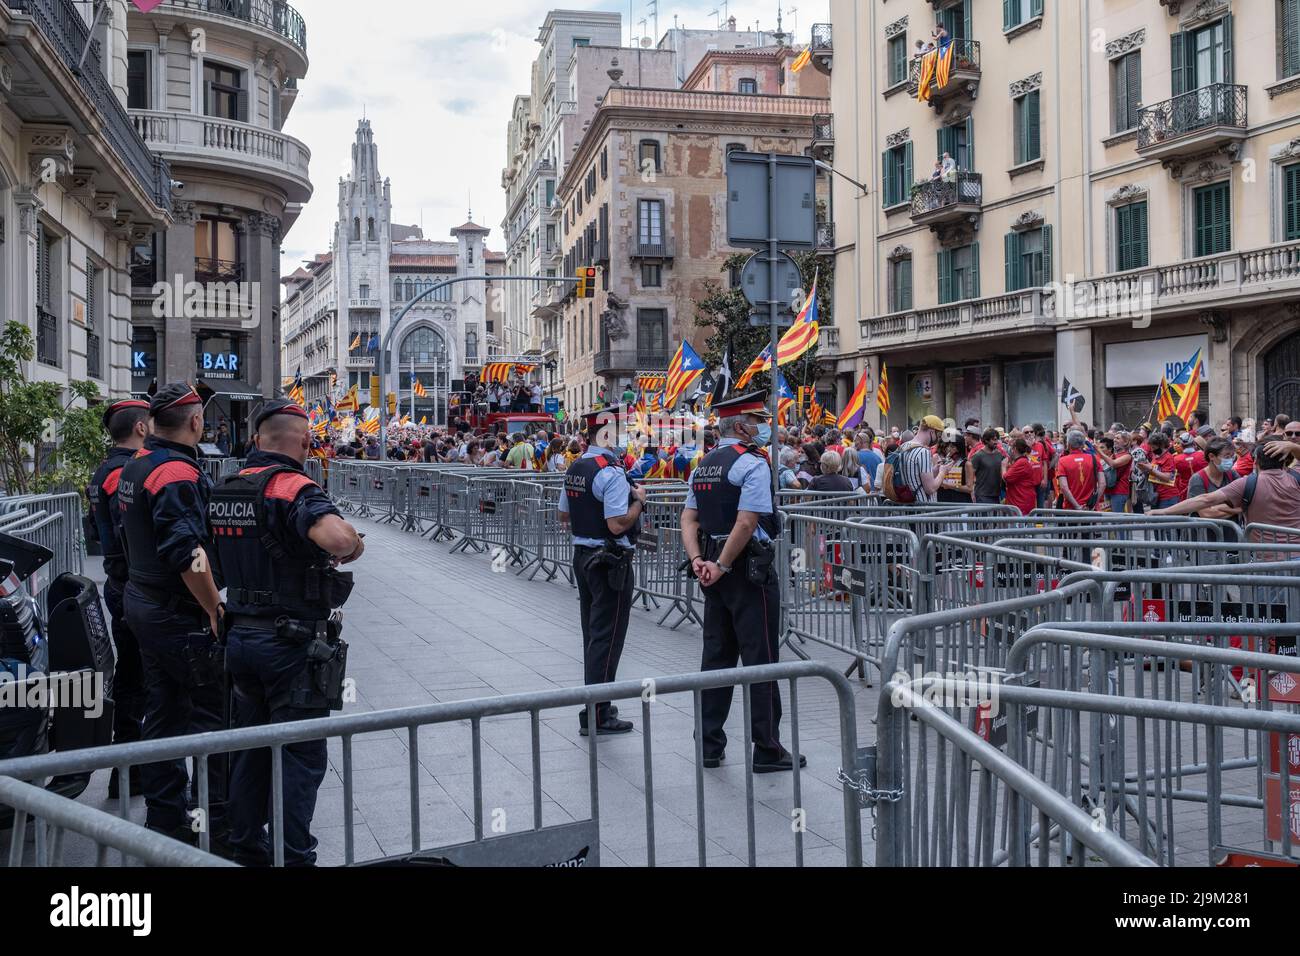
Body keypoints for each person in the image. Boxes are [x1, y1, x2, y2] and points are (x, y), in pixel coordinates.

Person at [210, 399, 364, 866]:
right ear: (304, 442)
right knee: (299, 755)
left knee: (251, 746)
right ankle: (294, 855)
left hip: (241, 637)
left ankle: (245, 844)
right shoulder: (294, 486)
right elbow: (337, 540)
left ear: (257, 440)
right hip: (290, 644)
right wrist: (355, 543)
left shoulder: (226, 487)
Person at [117, 384, 227, 845]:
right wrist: (213, 606)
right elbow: (188, 554)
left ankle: (165, 818)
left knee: (163, 712)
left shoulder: (138, 464)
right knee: (213, 714)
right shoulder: (175, 473)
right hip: (175, 613)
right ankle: (216, 824)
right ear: (196, 422)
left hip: (143, 602)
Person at [680, 391, 804, 773]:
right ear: (740, 426)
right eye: (758, 420)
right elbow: (747, 522)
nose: (765, 427)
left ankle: (709, 744)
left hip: (714, 572)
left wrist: (700, 560)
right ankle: (766, 748)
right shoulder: (752, 463)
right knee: (761, 657)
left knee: (715, 658)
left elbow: (688, 520)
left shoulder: (704, 465)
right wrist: (721, 563)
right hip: (747, 571)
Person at [558, 407, 643, 737]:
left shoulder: (576, 467)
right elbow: (617, 523)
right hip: (609, 560)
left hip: (583, 555)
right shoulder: (610, 472)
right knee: (607, 638)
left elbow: (563, 517)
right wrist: (639, 502)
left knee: (593, 634)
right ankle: (597, 712)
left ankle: (598, 703)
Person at [87, 399, 151, 799]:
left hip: (119, 583)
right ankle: (132, 773)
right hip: (133, 586)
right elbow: (134, 536)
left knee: (132, 676)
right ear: (142, 429)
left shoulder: (103, 471)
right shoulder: (126, 472)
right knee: (138, 680)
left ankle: (128, 773)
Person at [1154, 440, 1300, 528]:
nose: (1230, 460)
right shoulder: (1296, 477)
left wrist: (1163, 511)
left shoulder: (1247, 482)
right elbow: (1206, 512)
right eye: (1227, 456)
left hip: (1264, 556)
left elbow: (1206, 500)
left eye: (1232, 456)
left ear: (1255, 462)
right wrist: (1293, 446)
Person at [896, 416, 946, 503]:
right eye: (938, 435)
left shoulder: (903, 446)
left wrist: (935, 469)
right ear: (932, 432)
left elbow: (915, 475)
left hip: (907, 503)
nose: (938, 439)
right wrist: (943, 472)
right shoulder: (923, 452)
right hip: (923, 506)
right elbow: (930, 488)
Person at [1055, 430, 1102, 511]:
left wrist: (1077, 506)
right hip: (1090, 509)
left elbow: (1064, 487)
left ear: (1068, 444)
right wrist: (1093, 503)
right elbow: (1103, 483)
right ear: (1083, 444)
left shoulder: (1062, 461)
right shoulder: (1094, 458)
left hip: (1071, 509)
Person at [1097, 432, 1134, 514]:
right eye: (1114, 438)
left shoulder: (1127, 456)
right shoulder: (1114, 454)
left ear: (1125, 442)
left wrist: (1098, 450)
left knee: (1116, 520)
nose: (1114, 440)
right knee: (1108, 517)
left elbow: (1113, 464)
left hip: (1119, 491)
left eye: (1117, 438)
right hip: (1108, 489)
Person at [1002, 438, 1041, 516]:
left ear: (1015, 449)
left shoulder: (1021, 462)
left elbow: (1006, 477)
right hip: (1020, 502)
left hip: (1021, 503)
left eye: (1011, 447)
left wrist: (1003, 466)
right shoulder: (1020, 461)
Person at [969, 428, 1005, 505]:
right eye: (993, 440)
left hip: (997, 495)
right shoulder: (978, 456)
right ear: (986, 440)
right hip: (982, 495)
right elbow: (970, 474)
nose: (996, 442)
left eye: (997, 440)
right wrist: (972, 492)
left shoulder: (999, 454)